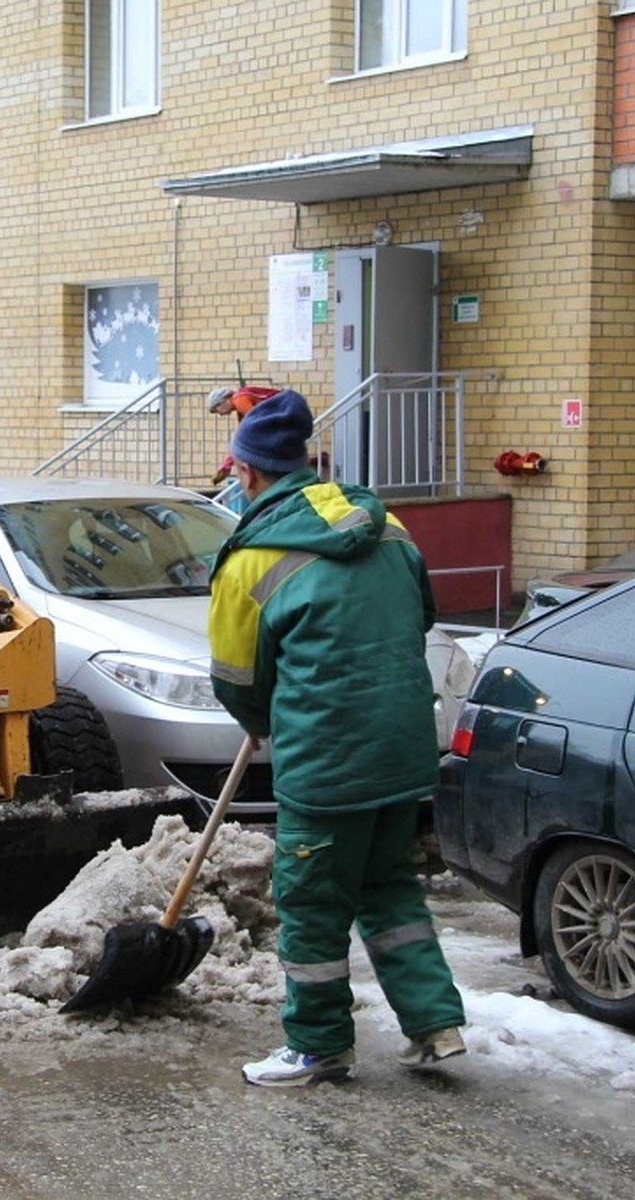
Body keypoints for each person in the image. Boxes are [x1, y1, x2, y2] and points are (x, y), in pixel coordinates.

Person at [207, 388, 466, 1088]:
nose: (233, 480)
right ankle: (435, 1024)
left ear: (250, 474)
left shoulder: (248, 561)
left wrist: (262, 721)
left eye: (234, 471)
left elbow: (236, 677)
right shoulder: (392, 529)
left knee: (313, 901)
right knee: (388, 887)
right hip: (404, 750)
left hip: (326, 761)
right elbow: (419, 617)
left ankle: (319, 1045)